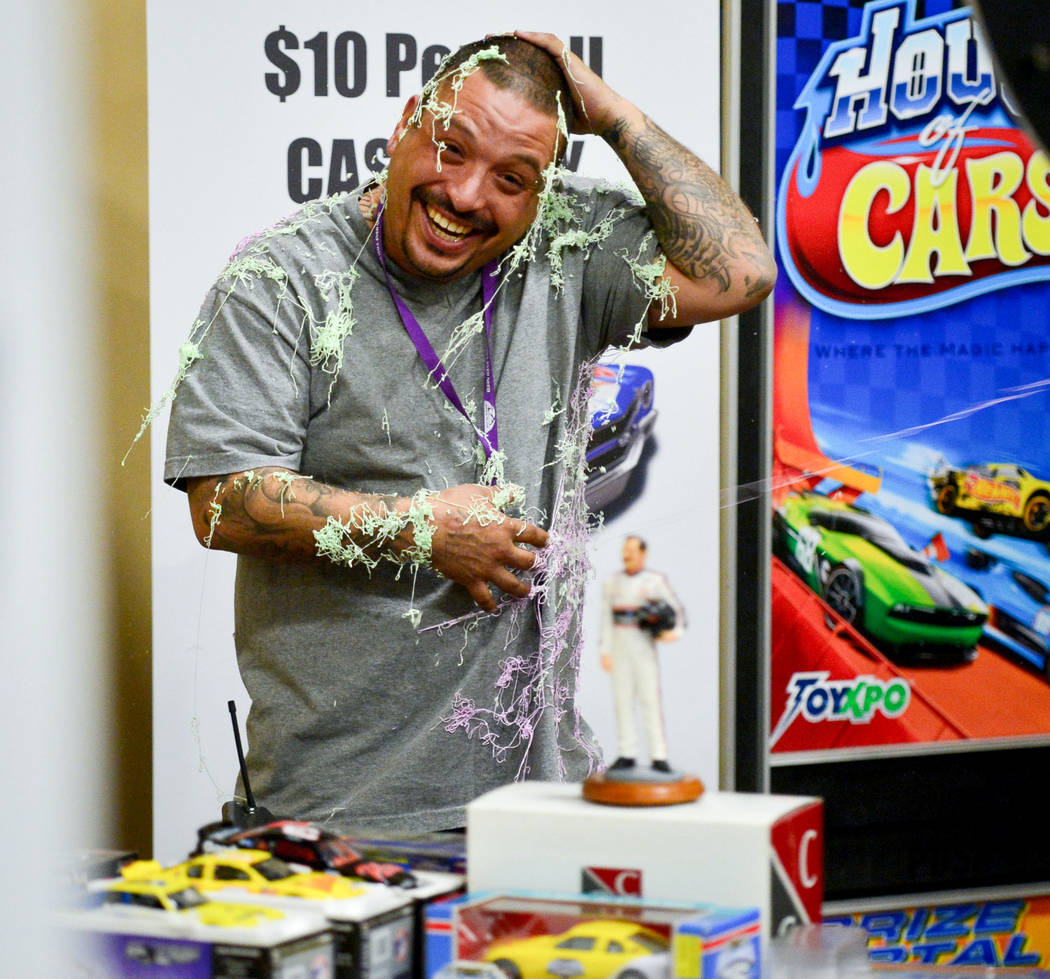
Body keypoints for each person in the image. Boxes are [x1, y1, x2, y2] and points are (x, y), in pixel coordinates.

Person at [164, 31, 775, 834]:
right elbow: (223, 501)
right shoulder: (284, 282)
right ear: (407, 123)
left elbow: (740, 271)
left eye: (511, 178)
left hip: (543, 799)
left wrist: (613, 114)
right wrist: (425, 533)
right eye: (451, 149)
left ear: (541, 189)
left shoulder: (562, 246)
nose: (465, 194)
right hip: (346, 816)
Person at [599, 536, 684, 773]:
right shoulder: (612, 582)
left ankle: (658, 755)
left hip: (643, 645)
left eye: (633, 551)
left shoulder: (653, 581)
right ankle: (627, 753)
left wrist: (672, 632)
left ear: (643, 554)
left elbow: (673, 609)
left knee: (649, 701)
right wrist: (605, 650)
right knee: (623, 701)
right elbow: (606, 617)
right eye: (625, 551)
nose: (627, 555)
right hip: (620, 644)